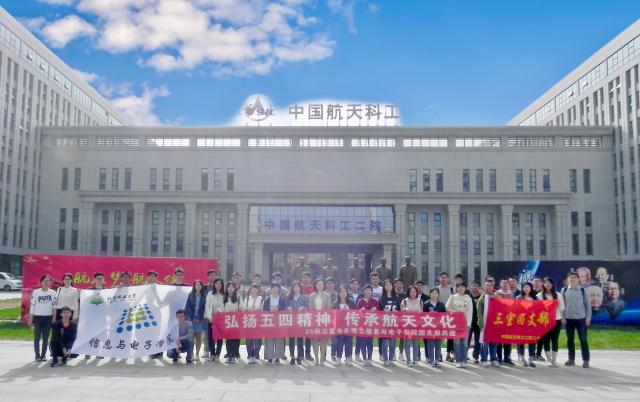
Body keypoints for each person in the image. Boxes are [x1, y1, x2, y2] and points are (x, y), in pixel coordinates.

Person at [562, 271, 591, 368]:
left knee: (583, 339)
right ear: (568, 279)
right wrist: (563, 317)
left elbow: (588, 305)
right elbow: (562, 306)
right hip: (568, 319)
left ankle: (586, 360)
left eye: (574, 277)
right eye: (571, 277)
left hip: (581, 319)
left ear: (578, 279)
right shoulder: (564, 290)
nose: (573, 279)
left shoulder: (583, 290)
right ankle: (571, 359)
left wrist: (588, 318)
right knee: (570, 340)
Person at [537, 277, 564, 367]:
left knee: (555, 340)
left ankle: (554, 360)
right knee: (546, 340)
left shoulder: (558, 294)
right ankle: (548, 360)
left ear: (553, 285)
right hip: (545, 321)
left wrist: (558, 303)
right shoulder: (539, 296)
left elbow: (562, 308)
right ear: (543, 284)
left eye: (550, 283)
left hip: (556, 320)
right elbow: (537, 309)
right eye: (546, 283)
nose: (548, 285)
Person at [29, 275, 57, 362]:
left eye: (48, 281)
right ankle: (37, 356)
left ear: (50, 282)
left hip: (48, 318)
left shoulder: (53, 292)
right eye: (45, 281)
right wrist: (31, 318)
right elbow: (33, 306)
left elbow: (54, 306)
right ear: (41, 282)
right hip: (37, 318)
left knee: (45, 338)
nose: (46, 282)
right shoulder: (36, 292)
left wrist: (54, 317)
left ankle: (43, 355)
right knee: (37, 337)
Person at [446, 283, 473, 368]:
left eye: (462, 287)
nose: (461, 288)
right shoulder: (453, 297)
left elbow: (470, 311)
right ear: (456, 288)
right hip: (456, 322)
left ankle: (464, 360)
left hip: (465, 323)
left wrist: (468, 323)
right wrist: (455, 313)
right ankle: (458, 360)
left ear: (465, 288)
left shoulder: (468, 298)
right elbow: (447, 307)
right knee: (457, 342)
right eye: (459, 287)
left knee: (464, 343)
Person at [263, 283, 287, 365]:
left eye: (277, 288)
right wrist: (270, 310)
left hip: (279, 323)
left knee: (279, 340)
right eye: (273, 288)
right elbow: (264, 310)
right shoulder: (267, 299)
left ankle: (277, 357)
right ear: (271, 289)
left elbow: (284, 310)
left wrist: (277, 310)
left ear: (279, 289)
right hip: (269, 322)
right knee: (269, 340)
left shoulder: (282, 299)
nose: (275, 289)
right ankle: (269, 357)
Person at [309, 278, 332, 365]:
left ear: (324, 285)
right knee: (314, 340)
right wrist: (315, 317)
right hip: (314, 320)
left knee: (323, 340)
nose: (320, 286)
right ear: (315, 285)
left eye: (321, 284)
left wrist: (323, 316)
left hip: (324, 320)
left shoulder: (327, 295)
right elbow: (310, 308)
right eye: (318, 284)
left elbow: (329, 307)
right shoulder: (311, 296)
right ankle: (316, 359)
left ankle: (322, 359)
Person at [477, 280, 499, 367]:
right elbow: (479, 312)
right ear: (484, 287)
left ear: (493, 287)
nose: (489, 287)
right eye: (487, 285)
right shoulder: (481, 298)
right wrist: (481, 323)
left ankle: (493, 359)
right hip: (485, 324)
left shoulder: (496, 297)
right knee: (484, 343)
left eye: (490, 285)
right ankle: (484, 359)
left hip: (495, 324)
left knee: (494, 343)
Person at [287, 281, 308, 365]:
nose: (296, 288)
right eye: (294, 287)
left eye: (297, 287)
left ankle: (299, 356)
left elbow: (308, 307)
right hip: (291, 321)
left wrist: (303, 308)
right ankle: (292, 356)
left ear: (300, 288)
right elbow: (285, 306)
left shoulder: (304, 297)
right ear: (292, 288)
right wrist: (287, 308)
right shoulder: (289, 297)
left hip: (300, 321)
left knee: (300, 339)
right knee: (291, 339)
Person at [379, 279, 400, 366]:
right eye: (386, 285)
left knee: (392, 342)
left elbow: (399, 309)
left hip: (393, 322)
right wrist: (383, 312)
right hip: (384, 322)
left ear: (392, 286)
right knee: (384, 342)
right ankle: (385, 359)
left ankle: (391, 359)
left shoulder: (396, 297)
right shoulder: (381, 297)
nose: (388, 287)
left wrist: (397, 312)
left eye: (390, 285)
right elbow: (379, 310)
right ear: (384, 287)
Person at [356, 285, 378, 366]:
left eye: (369, 290)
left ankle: (369, 358)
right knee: (363, 342)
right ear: (364, 291)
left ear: (372, 292)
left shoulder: (375, 301)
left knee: (370, 342)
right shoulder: (360, 301)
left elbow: (380, 312)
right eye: (366, 290)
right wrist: (360, 310)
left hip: (371, 325)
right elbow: (356, 312)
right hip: (362, 325)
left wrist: (376, 309)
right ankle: (364, 359)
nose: (368, 291)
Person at [516, 282, 537, 368]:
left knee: (532, 341)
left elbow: (538, 309)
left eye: (528, 287)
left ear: (531, 288)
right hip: (521, 321)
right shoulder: (518, 297)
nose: (526, 289)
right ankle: (523, 359)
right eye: (524, 287)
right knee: (521, 340)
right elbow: (516, 309)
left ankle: (531, 359)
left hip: (532, 322)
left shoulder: (535, 298)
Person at [423, 287, 446, 367]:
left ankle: (437, 360)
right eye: (432, 293)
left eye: (436, 293)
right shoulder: (426, 304)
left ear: (438, 295)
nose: (434, 295)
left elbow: (444, 316)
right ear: (430, 294)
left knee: (438, 345)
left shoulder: (441, 304)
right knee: (430, 344)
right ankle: (431, 360)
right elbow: (423, 316)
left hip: (438, 328)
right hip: (429, 328)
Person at [333, 286, 355, 366]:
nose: (342, 293)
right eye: (341, 292)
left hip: (349, 326)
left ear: (347, 293)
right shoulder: (336, 303)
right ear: (338, 293)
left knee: (349, 342)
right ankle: (338, 358)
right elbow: (333, 315)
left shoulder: (351, 302)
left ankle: (348, 358)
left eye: (344, 292)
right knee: (340, 342)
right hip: (339, 327)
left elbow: (356, 313)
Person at [401, 285, 423, 366]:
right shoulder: (404, 301)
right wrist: (405, 310)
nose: (413, 293)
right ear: (408, 292)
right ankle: (408, 360)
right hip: (407, 325)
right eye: (411, 292)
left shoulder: (420, 301)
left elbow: (422, 313)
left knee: (416, 343)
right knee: (407, 343)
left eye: (414, 292)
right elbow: (401, 312)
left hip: (416, 325)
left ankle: (415, 360)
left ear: (416, 292)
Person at [495, 278, 515, 365]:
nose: (505, 284)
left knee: (508, 340)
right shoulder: (496, 294)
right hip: (499, 320)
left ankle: (507, 357)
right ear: (500, 284)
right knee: (499, 340)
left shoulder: (511, 294)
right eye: (503, 283)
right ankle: (499, 358)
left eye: (507, 283)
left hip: (509, 320)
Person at [204, 278, 225, 361]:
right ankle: (212, 354)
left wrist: (218, 312)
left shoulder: (224, 295)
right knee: (211, 337)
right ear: (214, 284)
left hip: (220, 318)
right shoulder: (210, 293)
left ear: (222, 285)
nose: (218, 285)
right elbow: (207, 305)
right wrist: (209, 317)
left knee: (219, 337)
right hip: (211, 318)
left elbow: (223, 305)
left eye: (220, 283)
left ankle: (217, 355)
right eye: (216, 283)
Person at [186, 279, 206, 361]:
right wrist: (193, 317)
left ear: (202, 286)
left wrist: (199, 318)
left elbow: (204, 309)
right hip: (191, 319)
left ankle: (197, 354)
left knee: (198, 337)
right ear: (194, 286)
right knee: (191, 337)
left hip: (200, 320)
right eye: (196, 285)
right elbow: (188, 307)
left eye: (199, 285)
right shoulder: (190, 295)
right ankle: (191, 353)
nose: (198, 286)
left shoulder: (204, 296)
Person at [243, 284, 263, 364]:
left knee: (257, 341)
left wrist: (257, 311)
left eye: (255, 289)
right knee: (249, 341)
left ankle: (255, 355)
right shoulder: (247, 299)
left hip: (258, 322)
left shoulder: (261, 299)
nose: (254, 290)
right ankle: (250, 355)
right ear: (250, 290)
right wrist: (248, 311)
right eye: (252, 289)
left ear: (258, 290)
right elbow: (243, 310)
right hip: (249, 322)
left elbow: (263, 310)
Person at [436, 272, 454, 362]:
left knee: (450, 336)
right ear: (439, 279)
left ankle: (448, 354)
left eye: (445, 277)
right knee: (439, 335)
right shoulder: (436, 289)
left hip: (450, 316)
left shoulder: (451, 289)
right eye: (442, 277)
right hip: (439, 316)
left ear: (448, 279)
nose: (443, 279)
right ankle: (439, 354)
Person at [201, 269, 218, 358]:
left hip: (216, 314)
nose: (213, 277)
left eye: (214, 275)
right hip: (206, 314)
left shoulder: (219, 287)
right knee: (206, 333)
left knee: (215, 333)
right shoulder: (204, 288)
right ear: (208, 277)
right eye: (211, 275)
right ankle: (206, 350)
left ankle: (213, 351)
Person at [222, 282, 241, 364]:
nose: (230, 288)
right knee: (228, 339)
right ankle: (229, 355)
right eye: (229, 287)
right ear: (226, 288)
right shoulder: (224, 297)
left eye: (232, 287)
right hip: (226, 321)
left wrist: (236, 313)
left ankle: (232, 356)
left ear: (234, 288)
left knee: (233, 339)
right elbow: (221, 308)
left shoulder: (238, 297)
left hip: (235, 321)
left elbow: (242, 308)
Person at [532, 276, 546, 361]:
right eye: (535, 281)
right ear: (532, 282)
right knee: (533, 337)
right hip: (532, 318)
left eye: (538, 281)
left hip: (542, 317)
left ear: (541, 283)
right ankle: (532, 354)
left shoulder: (544, 293)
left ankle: (538, 354)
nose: (536, 283)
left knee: (541, 337)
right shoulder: (530, 292)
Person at [468, 281, 482, 364]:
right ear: (471, 287)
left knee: (478, 340)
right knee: (467, 339)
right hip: (469, 322)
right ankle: (464, 355)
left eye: (477, 286)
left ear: (479, 287)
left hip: (478, 322)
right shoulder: (467, 297)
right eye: (473, 286)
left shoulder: (482, 297)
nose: (475, 287)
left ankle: (476, 356)